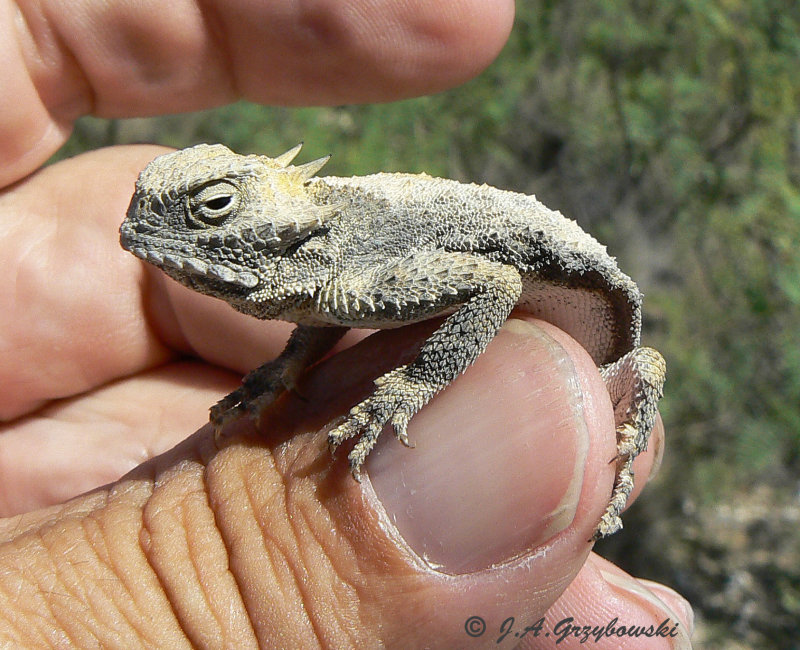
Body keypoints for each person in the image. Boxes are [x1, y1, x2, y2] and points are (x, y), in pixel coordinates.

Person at [0, 1, 693, 646]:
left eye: (212, 208)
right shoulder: (325, 276)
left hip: (596, 326)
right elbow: (324, 310)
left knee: (628, 391)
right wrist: (290, 366)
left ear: (269, 216)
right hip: (548, 357)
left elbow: (493, 281)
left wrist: (416, 386)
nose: (151, 230)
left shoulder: (344, 260)